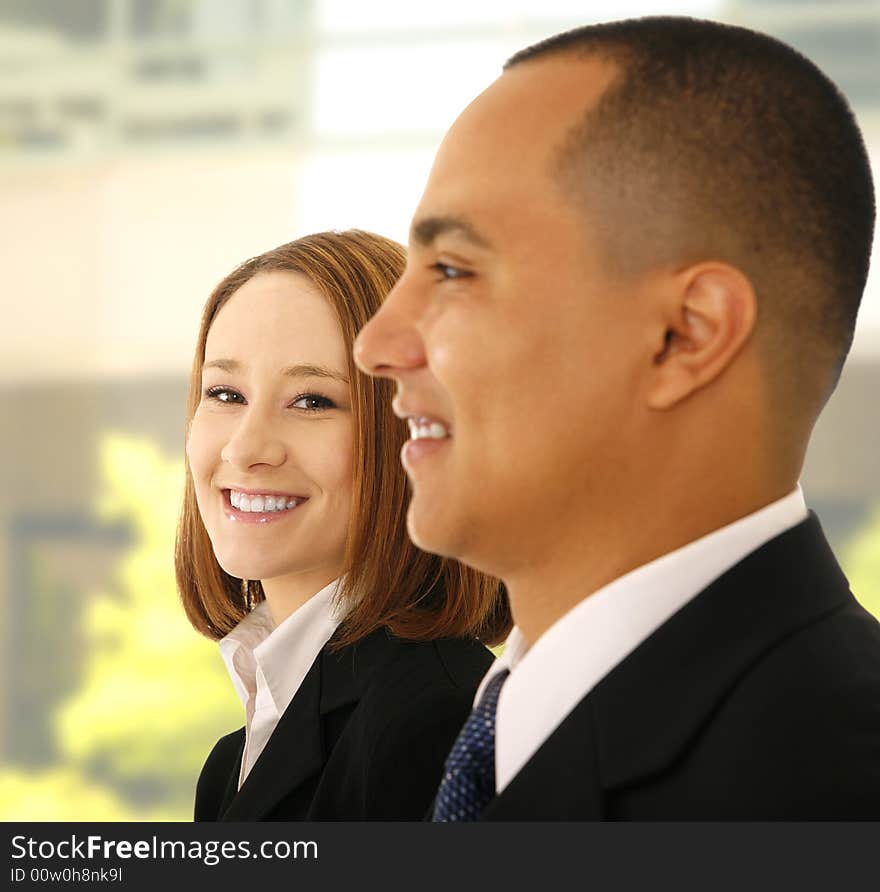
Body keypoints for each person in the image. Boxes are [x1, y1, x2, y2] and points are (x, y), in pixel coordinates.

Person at [353, 17, 880, 819]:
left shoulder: (822, 791)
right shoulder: (504, 733)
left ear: (684, 335)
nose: (374, 345)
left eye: (453, 270)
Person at [175, 229, 509, 821]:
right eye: (226, 392)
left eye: (312, 401)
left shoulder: (436, 722)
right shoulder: (232, 763)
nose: (247, 447)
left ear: (413, 428)